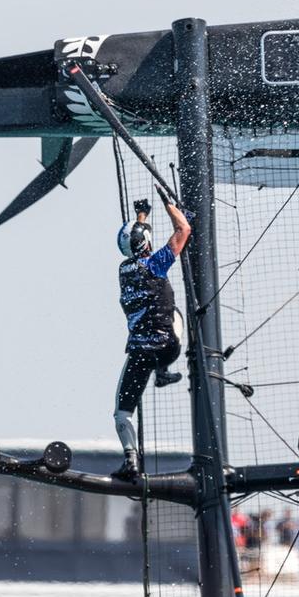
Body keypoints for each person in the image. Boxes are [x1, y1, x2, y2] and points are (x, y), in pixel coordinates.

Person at [111, 193, 191, 480]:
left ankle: (131, 461)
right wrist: (170, 204)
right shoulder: (157, 263)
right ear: (146, 242)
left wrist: (142, 216)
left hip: (139, 353)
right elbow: (183, 230)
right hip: (168, 347)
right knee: (176, 313)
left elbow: (136, 244)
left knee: (122, 414)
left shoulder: (123, 270)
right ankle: (164, 371)